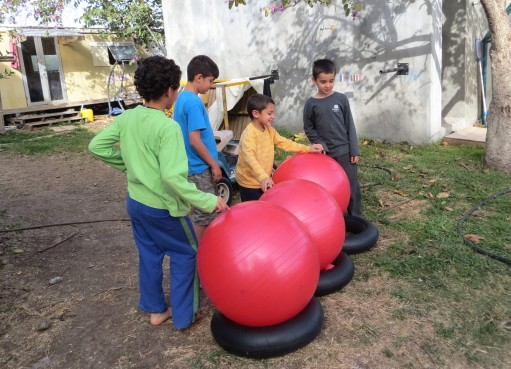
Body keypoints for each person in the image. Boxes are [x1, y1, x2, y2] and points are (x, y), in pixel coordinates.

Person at [88, 56, 229, 330]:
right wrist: (210, 200)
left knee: (149, 254)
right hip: (163, 208)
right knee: (187, 253)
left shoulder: (128, 118)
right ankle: (184, 315)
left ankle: (156, 310)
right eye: (175, 88)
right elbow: (172, 179)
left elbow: (97, 146)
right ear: (169, 91)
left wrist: (132, 168)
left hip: (136, 204)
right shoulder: (168, 127)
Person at [236, 93, 324, 201]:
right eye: (269, 113)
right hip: (249, 183)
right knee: (253, 211)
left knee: (266, 206)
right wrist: (262, 176)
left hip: (265, 179)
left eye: (273, 113)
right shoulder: (249, 134)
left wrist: (307, 148)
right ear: (256, 113)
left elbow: (285, 143)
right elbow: (249, 158)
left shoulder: (269, 130)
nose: (273, 116)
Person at [303, 58, 362, 217]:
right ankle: (333, 215)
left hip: (344, 151)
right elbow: (308, 128)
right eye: (323, 82)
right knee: (330, 186)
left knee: (351, 184)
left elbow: (350, 125)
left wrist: (354, 150)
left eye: (331, 81)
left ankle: (356, 216)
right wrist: (320, 143)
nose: (327, 85)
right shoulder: (310, 104)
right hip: (325, 154)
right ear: (314, 80)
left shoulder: (341, 99)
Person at [173, 55, 221, 243]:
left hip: (192, 165)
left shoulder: (181, 99)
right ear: (199, 77)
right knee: (205, 213)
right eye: (210, 81)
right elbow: (195, 140)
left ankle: (203, 249)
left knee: (203, 212)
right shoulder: (193, 102)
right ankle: (199, 253)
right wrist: (214, 165)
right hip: (199, 167)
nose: (210, 86)